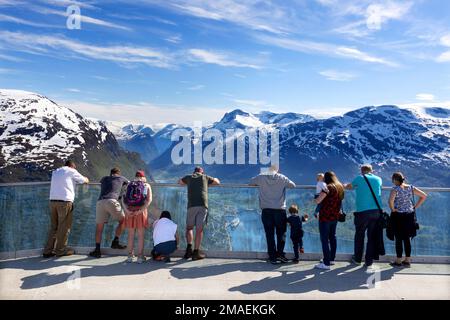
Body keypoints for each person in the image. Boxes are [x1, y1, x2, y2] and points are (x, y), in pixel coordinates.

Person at [250, 165, 296, 264]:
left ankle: (272, 256)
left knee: (269, 234)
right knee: (281, 234)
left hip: (266, 210)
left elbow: (251, 182)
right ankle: (280, 255)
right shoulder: (282, 177)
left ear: (268, 170)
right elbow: (293, 185)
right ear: (277, 170)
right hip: (280, 210)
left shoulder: (261, 177)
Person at [43, 160, 89, 258]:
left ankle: (47, 250)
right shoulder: (71, 171)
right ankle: (60, 250)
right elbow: (84, 180)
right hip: (65, 202)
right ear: (72, 166)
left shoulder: (56, 171)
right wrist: (86, 179)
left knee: (54, 227)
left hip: (52, 201)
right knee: (64, 227)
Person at [345, 164, 383, 270]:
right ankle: (369, 261)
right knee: (371, 237)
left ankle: (357, 259)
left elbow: (349, 187)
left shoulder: (359, 178)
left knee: (359, 235)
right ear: (371, 171)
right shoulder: (379, 179)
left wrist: (344, 185)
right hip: (376, 211)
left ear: (361, 171)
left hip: (362, 212)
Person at [179, 167, 220, 260]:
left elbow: (180, 182)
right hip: (202, 204)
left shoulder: (189, 177)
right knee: (199, 229)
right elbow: (217, 182)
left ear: (194, 172)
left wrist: (189, 183)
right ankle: (196, 252)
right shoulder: (205, 177)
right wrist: (209, 183)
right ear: (202, 172)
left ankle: (189, 248)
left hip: (191, 205)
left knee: (189, 228)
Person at [388, 172, 427, 267]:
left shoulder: (395, 189)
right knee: (407, 238)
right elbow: (424, 196)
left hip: (398, 216)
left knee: (398, 238)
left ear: (395, 180)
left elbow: (390, 201)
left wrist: (393, 209)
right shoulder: (411, 187)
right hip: (409, 215)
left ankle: (398, 260)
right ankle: (407, 259)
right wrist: (415, 207)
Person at [89, 168, 128, 258]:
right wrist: (121, 195)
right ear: (118, 173)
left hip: (100, 202)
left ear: (110, 173)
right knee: (123, 220)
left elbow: (103, 183)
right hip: (112, 201)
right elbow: (129, 183)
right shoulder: (121, 178)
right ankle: (115, 241)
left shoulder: (104, 178)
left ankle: (97, 250)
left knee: (99, 228)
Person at [314, 171, 344, 270]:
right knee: (332, 237)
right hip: (335, 216)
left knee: (324, 239)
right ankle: (331, 259)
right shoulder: (340, 187)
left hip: (325, 216)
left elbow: (318, 200)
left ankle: (326, 263)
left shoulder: (329, 187)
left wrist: (316, 198)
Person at [122, 170, 152, 264]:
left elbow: (123, 199)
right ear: (143, 177)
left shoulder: (129, 184)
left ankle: (130, 256)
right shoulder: (146, 185)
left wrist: (126, 210)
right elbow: (149, 200)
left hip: (129, 210)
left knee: (130, 234)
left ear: (135, 176)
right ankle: (140, 256)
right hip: (141, 211)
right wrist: (140, 211)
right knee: (140, 235)